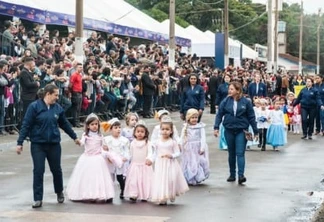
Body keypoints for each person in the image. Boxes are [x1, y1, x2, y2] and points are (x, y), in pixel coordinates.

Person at [16, 84, 80, 208]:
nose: (57, 97)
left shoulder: (58, 108)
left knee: (56, 170)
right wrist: (20, 142)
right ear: (48, 94)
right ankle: (38, 198)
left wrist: (74, 137)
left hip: (54, 144)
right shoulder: (34, 107)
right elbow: (26, 124)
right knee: (38, 171)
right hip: (38, 144)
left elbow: (64, 124)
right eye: (55, 95)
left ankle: (59, 191)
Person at [214, 81, 258, 185]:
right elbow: (219, 114)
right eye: (229, 89)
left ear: (238, 91)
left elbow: (251, 117)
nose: (229, 91)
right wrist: (216, 127)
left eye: (232, 89)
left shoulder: (246, 102)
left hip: (241, 130)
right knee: (231, 153)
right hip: (229, 130)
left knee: (240, 153)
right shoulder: (225, 101)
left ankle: (241, 175)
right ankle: (232, 174)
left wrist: (256, 131)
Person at [66, 113, 115, 202]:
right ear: (88, 126)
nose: (94, 126)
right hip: (87, 158)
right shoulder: (86, 135)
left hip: (98, 158)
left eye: (96, 124)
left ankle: (99, 193)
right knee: (88, 177)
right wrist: (78, 142)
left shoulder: (100, 136)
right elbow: (82, 143)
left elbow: (103, 145)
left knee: (99, 177)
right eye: (92, 124)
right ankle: (87, 193)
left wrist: (106, 148)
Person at [151, 116, 189, 205]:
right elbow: (154, 153)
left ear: (171, 131)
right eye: (163, 129)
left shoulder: (173, 142)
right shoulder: (157, 142)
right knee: (161, 180)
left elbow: (178, 153)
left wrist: (171, 155)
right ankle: (163, 197)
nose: (164, 131)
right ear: (160, 130)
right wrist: (151, 160)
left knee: (171, 179)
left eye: (167, 129)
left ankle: (171, 193)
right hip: (160, 164)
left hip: (170, 164)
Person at [124, 122, 154, 202]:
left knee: (145, 181)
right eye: (138, 131)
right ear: (134, 133)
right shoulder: (133, 143)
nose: (140, 133)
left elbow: (150, 152)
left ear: (145, 133)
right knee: (134, 181)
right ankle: (133, 194)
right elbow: (130, 153)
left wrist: (149, 159)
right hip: (135, 165)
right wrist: (126, 158)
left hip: (144, 165)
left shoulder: (148, 143)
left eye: (142, 132)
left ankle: (145, 195)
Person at [180, 108, 209, 185]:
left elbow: (203, 137)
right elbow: (182, 137)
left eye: (196, 117)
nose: (194, 119)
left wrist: (202, 147)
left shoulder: (200, 127)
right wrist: (180, 145)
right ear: (189, 118)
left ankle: (198, 177)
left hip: (198, 147)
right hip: (189, 148)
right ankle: (190, 177)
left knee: (198, 162)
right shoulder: (186, 127)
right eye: (192, 118)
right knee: (190, 162)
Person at [103, 118, 130, 199]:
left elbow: (127, 151)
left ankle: (123, 189)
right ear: (111, 129)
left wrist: (126, 157)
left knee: (120, 177)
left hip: (120, 161)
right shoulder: (107, 140)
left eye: (119, 127)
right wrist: (107, 157)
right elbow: (104, 151)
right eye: (115, 128)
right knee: (110, 178)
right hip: (110, 161)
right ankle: (109, 193)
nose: (118, 129)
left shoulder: (124, 140)